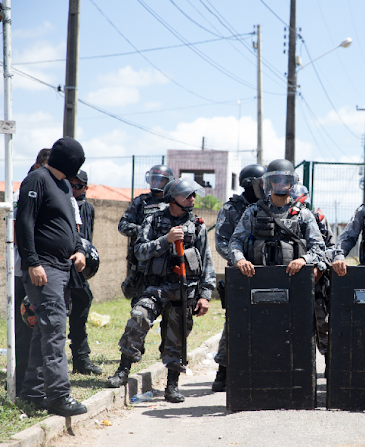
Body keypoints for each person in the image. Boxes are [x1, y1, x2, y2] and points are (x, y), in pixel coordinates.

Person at [106, 178, 216, 403]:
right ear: (173, 198)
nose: (192, 199)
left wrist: (205, 295)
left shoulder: (197, 225)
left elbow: (207, 261)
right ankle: (123, 370)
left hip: (183, 290)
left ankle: (172, 385)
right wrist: (166, 240)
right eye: (187, 195)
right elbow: (139, 252)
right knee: (138, 317)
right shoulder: (153, 220)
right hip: (155, 287)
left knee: (176, 339)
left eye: (193, 195)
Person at [15, 137, 88, 416]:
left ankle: (33, 391)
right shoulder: (38, 179)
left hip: (63, 267)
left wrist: (79, 249)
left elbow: (71, 223)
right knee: (56, 328)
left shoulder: (64, 185)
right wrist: (32, 262)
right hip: (43, 267)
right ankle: (58, 395)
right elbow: (25, 221)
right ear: (71, 162)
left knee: (44, 331)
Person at [211, 164, 266, 392]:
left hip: (265, 272)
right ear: (250, 184)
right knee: (234, 322)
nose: (265, 187)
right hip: (239, 273)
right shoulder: (231, 209)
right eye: (261, 183)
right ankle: (223, 371)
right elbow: (222, 242)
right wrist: (239, 260)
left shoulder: (268, 206)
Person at [118, 164, 174, 357]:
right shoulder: (140, 202)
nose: (156, 184)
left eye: (161, 180)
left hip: (167, 263)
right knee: (140, 307)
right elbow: (123, 225)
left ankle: (167, 350)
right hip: (142, 264)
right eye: (153, 179)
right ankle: (135, 347)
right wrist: (144, 230)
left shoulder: (173, 202)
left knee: (170, 311)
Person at [12, 149, 52, 392]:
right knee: (26, 329)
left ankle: (41, 383)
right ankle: (23, 385)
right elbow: (19, 233)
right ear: (37, 166)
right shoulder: (25, 192)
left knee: (46, 331)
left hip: (51, 273)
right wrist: (34, 261)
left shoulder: (57, 191)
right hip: (26, 272)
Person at [289, 184, 335, 367]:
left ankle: (332, 371)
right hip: (291, 283)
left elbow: (331, 249)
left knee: (325, 330)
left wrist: (320, 268)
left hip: (317, 286)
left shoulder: (317, 219)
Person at [66, 169, 102, 375]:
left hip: (78, 268)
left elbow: (87, 238)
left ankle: (81, 359)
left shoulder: (87, 208)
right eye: (70, 185)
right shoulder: (61, 203)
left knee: (82, 303)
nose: (73, 189)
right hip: (60, 265)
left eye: (78, 186)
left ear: (86, 188)